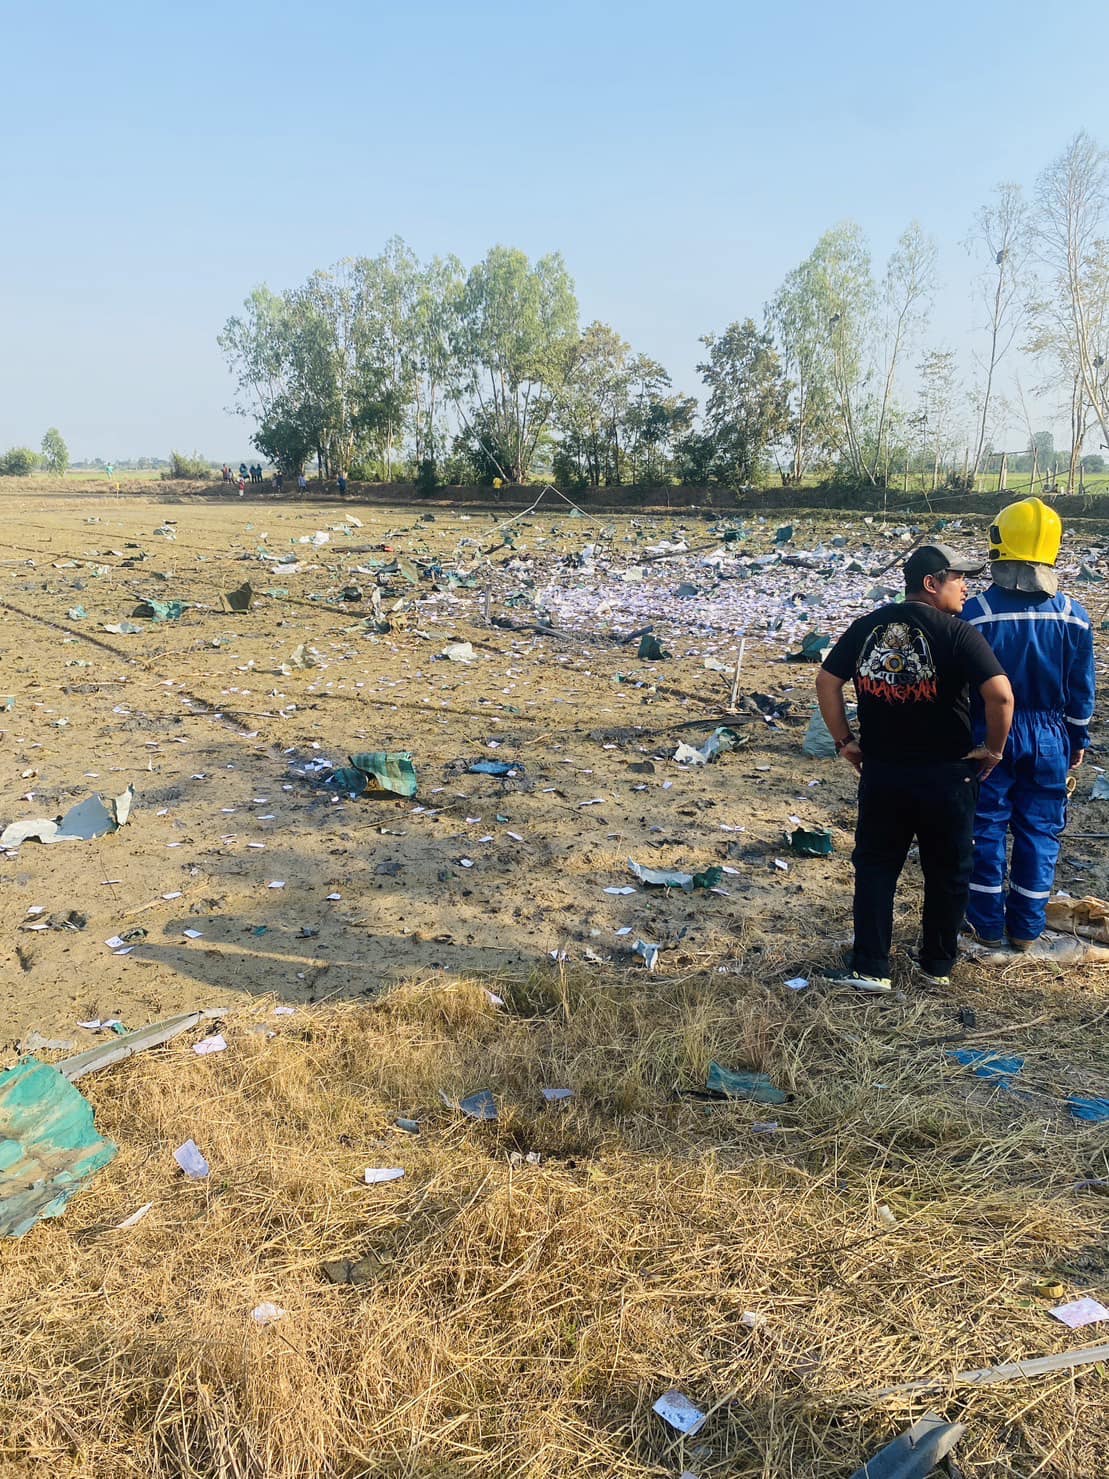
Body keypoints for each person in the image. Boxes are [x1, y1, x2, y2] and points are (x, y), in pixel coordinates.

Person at [815, 544, 1014, 992]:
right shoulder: (958, 634)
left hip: (884, 771)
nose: (966, 587)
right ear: (931, 584)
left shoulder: (868, 625)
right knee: (947, 869)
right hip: (948, 775)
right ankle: (937, 965)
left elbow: (827, 682)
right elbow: (1001, 696)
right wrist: (994, 751)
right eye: (958, 578)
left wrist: (845, 742)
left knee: (877, 866)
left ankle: (870, 967)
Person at [961, 497, 1096, 950]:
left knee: (987, 828)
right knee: (1040, 831)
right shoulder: (1073, 616)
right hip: (1052, 737)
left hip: (990, 734)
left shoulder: (976, 614)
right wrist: (1078, 737)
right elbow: (1082, 689)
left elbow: (960, 688)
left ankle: (985, 925)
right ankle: (1026, 929)